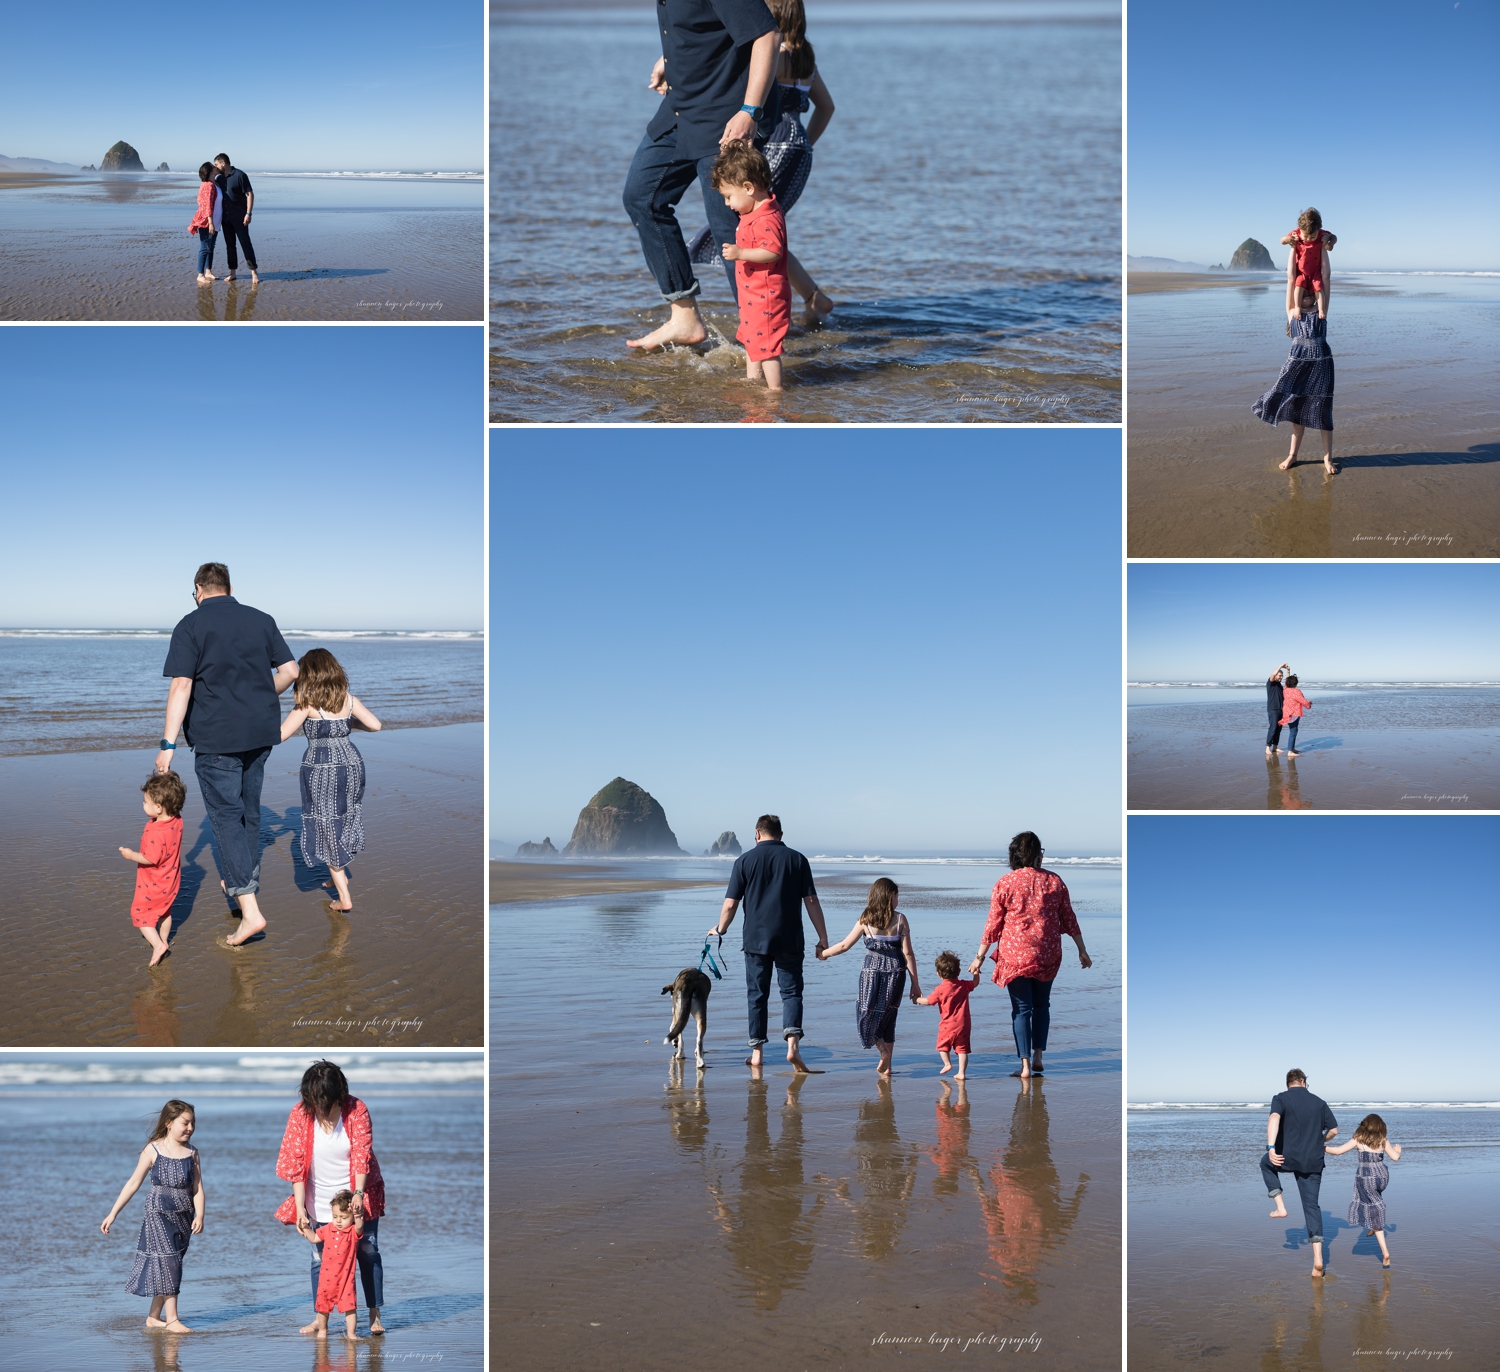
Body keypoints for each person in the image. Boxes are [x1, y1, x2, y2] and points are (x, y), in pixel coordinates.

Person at [622, 0, 782, 352]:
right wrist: (672, 60)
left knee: (732, 229)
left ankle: (761, 344)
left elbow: (767, 35)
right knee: (641, 197)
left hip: (728, 115)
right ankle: (684, 317)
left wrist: (749, 111)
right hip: (682, 109)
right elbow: (704, 27)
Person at [158, 563, 298, 946]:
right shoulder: (261, 619)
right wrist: (262, 698)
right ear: (229, 587)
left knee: (225, 818)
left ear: (199, 589)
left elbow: (181, 686)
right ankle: (241, 886)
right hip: (259, 733)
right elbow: (290, 670)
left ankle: (250, 912)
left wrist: (167, 746)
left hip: (217, 738)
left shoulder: (190, 624)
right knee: (248, 813)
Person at [691, 0, 835, 321]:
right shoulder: (806, 59)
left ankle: (785, 305)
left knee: (753, 227)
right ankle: (813, 298)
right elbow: (827, 107)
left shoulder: (777, 53)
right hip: (799, 147)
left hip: (776, 144)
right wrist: (805, 142)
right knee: (768, 228)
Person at [710, 813, 831, 1072]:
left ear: (756, 834)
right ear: (781, 835)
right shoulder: (798, 859)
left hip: (755, 940)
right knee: (791, 992)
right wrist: (823, 937)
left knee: (757, 995)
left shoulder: (744, 861)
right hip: (790, 938)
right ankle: (793, 1047)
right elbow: (811, 901)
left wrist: (720, 930)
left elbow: (731, 904)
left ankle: (756, 1054)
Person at [275, 1060, 387, 1335]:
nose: (320, 1107)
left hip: (357, 1195)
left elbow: (362, 1154)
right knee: (320, 1260)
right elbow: (296, 1165)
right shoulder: (300, 1114)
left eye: (325, 1100)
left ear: (339, 1094)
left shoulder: (356, 1109)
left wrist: (359, 1194)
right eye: (314, 1100)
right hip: (319, 1200)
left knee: (368, 1252)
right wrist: (300, 1208)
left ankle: (374, 1314)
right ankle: (319, 1317)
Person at [969, 831, 1092, 1079]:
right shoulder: (1055, 881)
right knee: (1042, 1005)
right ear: (1037, 854)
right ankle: (1038, 1057)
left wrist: (979, 957)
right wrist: (1082, 950)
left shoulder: (1005, 883)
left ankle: (1024, 1066)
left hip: (1015, 956)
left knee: (1022, 1009)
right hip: (1047, 954)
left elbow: (993, 924)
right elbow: (1069, 918)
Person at [279, 648, 382, 914]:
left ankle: (344, 896)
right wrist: (346, 725)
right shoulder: (347, 699)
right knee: (344, 817)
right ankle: (339, 874)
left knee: (326, 824)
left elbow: (280, 735)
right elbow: (375, 725)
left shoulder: (307, 703)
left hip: (323, 768)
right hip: (351, 764)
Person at [101, 1099, 205, 1333]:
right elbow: (133, 1183)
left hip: (184, 1217)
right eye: (185, 1123)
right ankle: (173, 1320)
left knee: (168, 1263)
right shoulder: (153, 1149)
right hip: (158, 1214)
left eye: (192, 1124)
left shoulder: (192, 1152)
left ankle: (152, 1317)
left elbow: (197, 1187)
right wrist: (113, 1213)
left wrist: (200, 1215)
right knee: (170, 1263)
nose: (190, 1128)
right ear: (169, 1123)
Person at [818, 877, 923, 1076]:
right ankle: (888, 1066)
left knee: (866, 1014)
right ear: (890, 896)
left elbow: (844, 945)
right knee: (889, 1017)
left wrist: (824, 954)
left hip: (871, 973)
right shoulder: (901, 919)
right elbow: (908, 953)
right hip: (896, 973)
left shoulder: (866, 918)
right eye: (896, 895)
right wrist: (915, 983)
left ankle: (883, 1052)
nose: (898, 899)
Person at [1253, 234, 1336, 475]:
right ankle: (1292, 455)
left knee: (1323, 411)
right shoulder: (1293, 313)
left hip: (1322, 367)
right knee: (1298, 413)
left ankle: (1327, 459)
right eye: (1306, 292)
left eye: (1312, 292)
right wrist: (1293, 247)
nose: (1309, 294)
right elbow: (1291, 278)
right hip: (1297, 367)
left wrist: (1321, 248)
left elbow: (1326, 276)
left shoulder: (1322, 313)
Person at [712, 141, 791, 390]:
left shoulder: (764, 218)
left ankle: (774, 390)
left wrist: (741, 253)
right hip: (753, 294)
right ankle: (753, 379)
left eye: (728, 197)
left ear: (748, 187)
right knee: (752, 339)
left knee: (766, 345)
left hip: (766, 295)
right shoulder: (756, 211)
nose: (727, 204)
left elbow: (772, 251)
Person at [1262, 1068, 1339, 1276]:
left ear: (1288, 1083)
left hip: (1286, 1157)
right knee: (1311, 1206)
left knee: (1265, 1164)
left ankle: (1280, 1207)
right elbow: (1334, 1130)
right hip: (1313, 1160)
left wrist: (1270, 1148)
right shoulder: (1319, 1102)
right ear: (1303, 1081)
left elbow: (1274, 1119)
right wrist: (1319, 1141)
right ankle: (1318, 1261)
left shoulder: (1281, 1098)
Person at [118, 771, 186, 966]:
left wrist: (130, 855)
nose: (143, 804)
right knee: (165, 912)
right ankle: (164, 940)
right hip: (171, 879)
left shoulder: (156, 832)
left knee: (140, 915)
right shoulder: (177, 820)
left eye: (145, 801)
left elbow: (150, 857)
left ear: (158, 807)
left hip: (153, 883)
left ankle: (158, 944)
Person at [1326, 1113, 1401, 1268]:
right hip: (1382, 1177)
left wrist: (1321, 1147)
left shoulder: (1359, 1139)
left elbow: (1338, 1151)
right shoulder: (1383, 1140)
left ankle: (1384, 1250)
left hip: (1366, 1177)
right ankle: (1373, 1226)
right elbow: (1395, 1157)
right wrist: (1397, 1150)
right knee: (1374, 1199)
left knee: (1373, 1205)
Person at [297, 1189, 364, 1338]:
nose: (338, 1220)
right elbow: (314, 1238)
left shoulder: (353, 1232)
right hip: (326, 1278)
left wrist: (358, 1215)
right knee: (323, 1307)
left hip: (346, 1279)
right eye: (335, 1216)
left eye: (343, 1217)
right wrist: (306, 1228)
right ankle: (322, 1331)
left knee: (350, 1307)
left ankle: (351, 1333)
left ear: (352, 1217)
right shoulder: (328, 1229)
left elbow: (359, 1226)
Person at [916, 951, 979, 1080]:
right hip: (964, 1024)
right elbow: (975, 983)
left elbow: (928, 1001)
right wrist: (976, 973)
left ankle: (947, 1064)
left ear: (939, 974)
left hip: (948, 1025)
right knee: (962, 1049)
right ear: (958, 971)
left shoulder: (940, 989)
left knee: (942, 1045)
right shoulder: (963, 985)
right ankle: (961, 1073)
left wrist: (917, 999)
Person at [1279, 208, 1336, 320]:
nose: (1309, 239)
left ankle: (1321, 309)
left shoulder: (1321, 234)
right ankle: (1298, 307)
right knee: (1298, 285)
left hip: (1315, 272)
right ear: (1300, 229)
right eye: (1306, 237)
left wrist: (1330, 243)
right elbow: (1282, 240)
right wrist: (1289, 239)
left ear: (1318, 230)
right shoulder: (1292, 316)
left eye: (1312, 237)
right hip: (1301, 272)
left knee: (1319, 288)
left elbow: (1334, 237)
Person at [212, 154, 260, 285]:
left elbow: (250, 194)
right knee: (230, 246)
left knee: (245, 244)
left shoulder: (240, 175)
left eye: (216, 164)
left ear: (223, 163)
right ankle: (232, 273)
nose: (215, 167)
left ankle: (254, 272)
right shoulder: (219, 178)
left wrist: (248, 213)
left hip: (240, 217)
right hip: (226, 218)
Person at [187, 163, 222, 285]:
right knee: (204, 248)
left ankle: (208, 272)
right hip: (207, 221)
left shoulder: (215, 184)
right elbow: (207, 205)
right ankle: (200, 274)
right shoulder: (208, 185)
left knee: (210, 248)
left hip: (216, 221)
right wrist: (211, 222)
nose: (216, 168)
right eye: (214, 166)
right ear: (210, 171)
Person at [1278, 674, 1314, 757]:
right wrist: (1309, 703)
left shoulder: (1285, 690)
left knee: (1293, 731)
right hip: (1294, 713)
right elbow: (1303, 701)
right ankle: (1290, 751)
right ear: (1296, 683)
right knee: (1293, 731)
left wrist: (1288, 671)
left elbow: (1286, 684)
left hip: (1287, 713)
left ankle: (1292, 748)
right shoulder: (1296, 691)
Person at [1265, 663, 1290, 758]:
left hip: (1281, 710)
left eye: (1282, 676)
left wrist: (1288, 671)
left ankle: (1275, 747)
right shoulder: (1270, 683)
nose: (1281, 677)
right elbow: (1272, 675)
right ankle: (1268, 747)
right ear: (1275, 675)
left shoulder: (1279, 685)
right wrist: (1280, 666)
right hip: (1273, 709)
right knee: (1273, 727)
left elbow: (1288, 682)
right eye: (1280, 675)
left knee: (1279, 729)